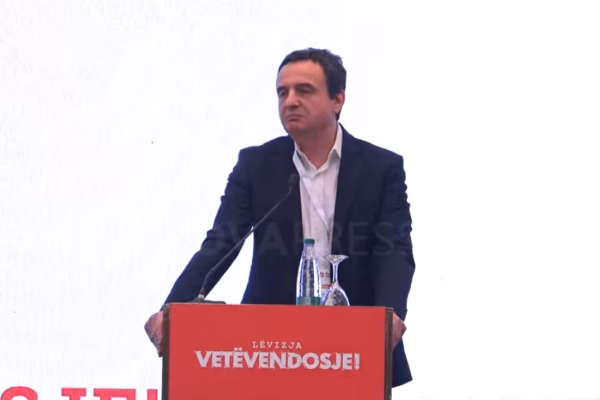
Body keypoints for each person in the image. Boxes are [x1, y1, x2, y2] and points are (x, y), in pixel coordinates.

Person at [144, 48, 416, 387]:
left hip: (355, 348)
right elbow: (221, 243)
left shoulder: (381, 168)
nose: (290, 101)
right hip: (268, 348)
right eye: (282, 92)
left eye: (304, 90)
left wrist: (390, 315)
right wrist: (171, 311)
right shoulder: (256, 165)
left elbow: (394, 250)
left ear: (337, 99)